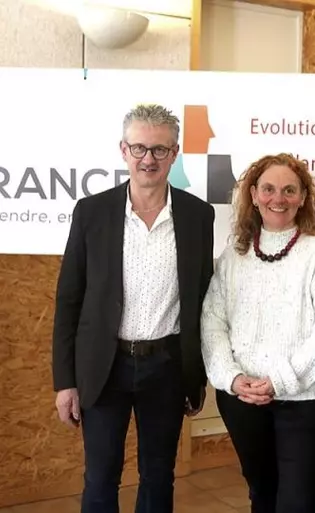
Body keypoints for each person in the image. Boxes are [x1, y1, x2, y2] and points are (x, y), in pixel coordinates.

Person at [52, 104, 216, 513]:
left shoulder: (198, 215)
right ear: (123, 150)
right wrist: (65, 381)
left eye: (159, 150)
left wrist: (195, 375)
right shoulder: (92, 213)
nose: (148, 159)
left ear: (174, 154)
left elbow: (201, 298)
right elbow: (69, 299)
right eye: (139, 148)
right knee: (101, 477)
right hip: (103, 368)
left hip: (166, 367)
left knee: (159, 476)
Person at [200, 153, 315, 513]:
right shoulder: (234, 255)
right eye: (268, 188)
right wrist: (232, 378)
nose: (277, 198)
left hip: (307, 401)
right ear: (253, 194)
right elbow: (212, 320)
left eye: (288, 190)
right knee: (262, 495)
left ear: (302, 198)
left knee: (299, 502)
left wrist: (277, 381)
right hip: (243, 400)